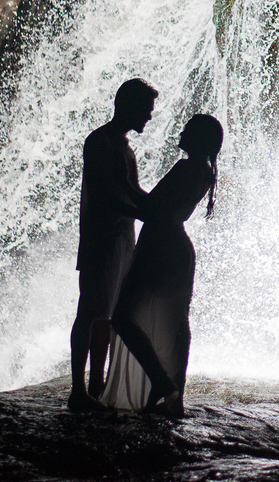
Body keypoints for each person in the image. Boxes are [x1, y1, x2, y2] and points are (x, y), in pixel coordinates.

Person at [100, 114, 222, 416]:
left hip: (160, 246)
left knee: (122, 318)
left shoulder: (186, 167)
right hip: (175, 248)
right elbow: (157, 207)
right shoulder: (205, 171)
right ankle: (170, 391)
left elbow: (152, 207)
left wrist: (121, 184)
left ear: (197, 138)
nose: (181, 132)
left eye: (188, 130)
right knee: (177, 322)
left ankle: (162, 383)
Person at [67, 78, 158, 411]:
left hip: (122, 239)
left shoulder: (123, 145)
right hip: (100, 237)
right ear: (128, 105)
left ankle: (97, 384)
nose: (149, 117)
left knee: (107, 315)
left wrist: (157, 210)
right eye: (146, 110)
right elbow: (106, 197)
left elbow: (133, 191)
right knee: (89, 311)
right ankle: (78, 389)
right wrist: (151, 213)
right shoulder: (99, 141)